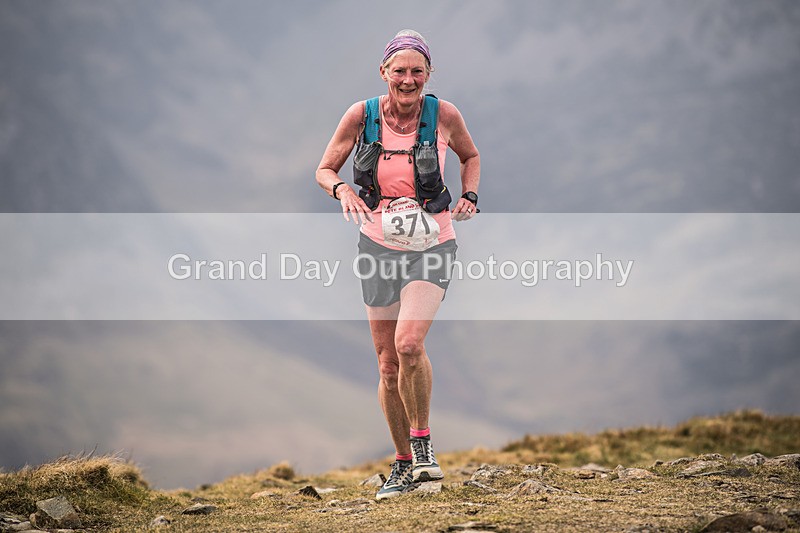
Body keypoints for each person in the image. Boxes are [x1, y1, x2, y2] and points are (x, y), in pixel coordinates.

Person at [316, 29, 480, 500]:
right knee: (388, 365)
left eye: (417, 72)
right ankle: (403, 465)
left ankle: (423, 445)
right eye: (400, 71)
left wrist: (469, 194)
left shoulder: (444, 115)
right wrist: (342, 189)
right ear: (384, 72)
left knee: (409, 343)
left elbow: (470, 155)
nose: (408, 80)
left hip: (433, 243)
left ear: (428, 74)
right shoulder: (361, 115)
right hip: (377, 246)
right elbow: (324, 168)